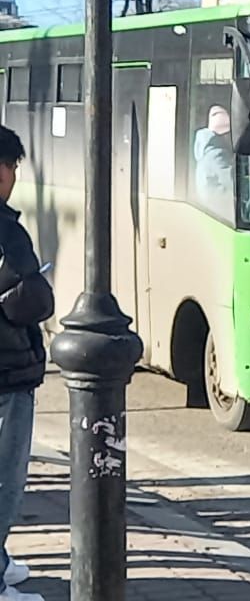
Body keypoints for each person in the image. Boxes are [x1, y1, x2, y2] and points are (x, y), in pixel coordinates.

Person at [0, 126, 54, 601]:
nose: (14, 176)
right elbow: (24, 299)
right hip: (6, 369)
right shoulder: (6, 231)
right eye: (13, 167)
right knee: (5, 475)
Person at [193, 105, 235, 219]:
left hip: (212, 210)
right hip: (221, 212)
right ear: (224, 134)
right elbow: (232, 182)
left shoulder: (207, 152)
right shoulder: (216, 154)